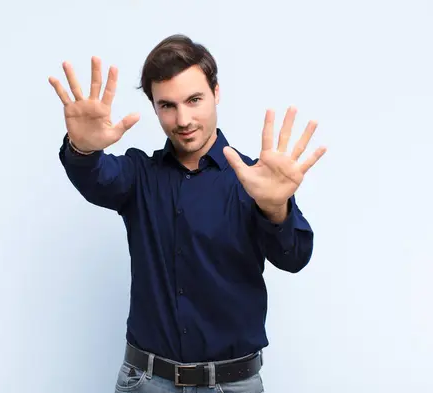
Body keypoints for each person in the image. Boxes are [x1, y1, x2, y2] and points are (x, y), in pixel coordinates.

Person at [48, 34, 326, 393]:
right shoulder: (139, 175)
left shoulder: (256, 180)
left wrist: (275, 207)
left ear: (216, 93)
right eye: (167, 105)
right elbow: (96, 177)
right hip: (145, 381)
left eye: (194, 100)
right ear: (154, 106)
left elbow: (294, 258)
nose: (183, 119)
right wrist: (81, 149)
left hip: (232, 384)